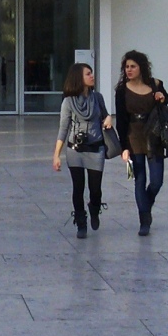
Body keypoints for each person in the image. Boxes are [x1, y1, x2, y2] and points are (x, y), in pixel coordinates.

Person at [52, 63, 112, 239]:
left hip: (96, 149)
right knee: (78, 188)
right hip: (75, 150)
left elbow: (105, 116)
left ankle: (94, 208)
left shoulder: (98, 98)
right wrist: (56, 155)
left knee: (95, 189)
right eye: (88, 74)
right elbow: (63, 129)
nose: (92, 76)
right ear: (79, 78)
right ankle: (80, 220)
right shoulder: (68, 102)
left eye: (92, 73)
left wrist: (108, 118)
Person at [114, 50, 168, 236]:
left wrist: (161, 97)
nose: (129, 70)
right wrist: (124, 147)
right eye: (126, 67)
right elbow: (121, 121)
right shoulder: (122, 90)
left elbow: (166, 100)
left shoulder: (155, 84)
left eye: (133, 66)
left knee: (156, 180)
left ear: (141, 67)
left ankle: (147, 202)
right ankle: (144, 218)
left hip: (154, 134)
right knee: (140, 179)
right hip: (134, 135)